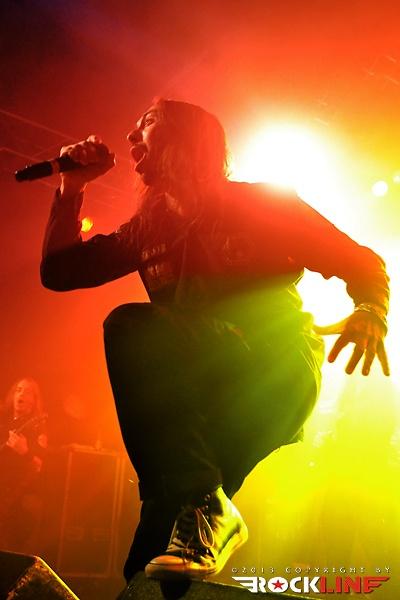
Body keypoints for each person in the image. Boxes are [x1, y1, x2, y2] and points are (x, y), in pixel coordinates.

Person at [40, 98, 389, 583]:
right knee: (156, 551)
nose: (131, 136)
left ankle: (204, 504)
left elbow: (362, 263)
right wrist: (73, 186)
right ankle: (200, 520)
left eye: (148, 123)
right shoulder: (148, 229)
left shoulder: (263, 205)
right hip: (207, 393)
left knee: (129, 325)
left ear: (188, 141)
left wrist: (370, 311)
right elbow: (59, 273)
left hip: (273, 370)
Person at [0, 377, 48, 552]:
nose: (21, 394)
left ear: (34, 401)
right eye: (18, 389)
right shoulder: (3, 422)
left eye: (27, 392)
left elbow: (38, 466)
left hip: (17, 501)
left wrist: (25, 452)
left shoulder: (37, 427)